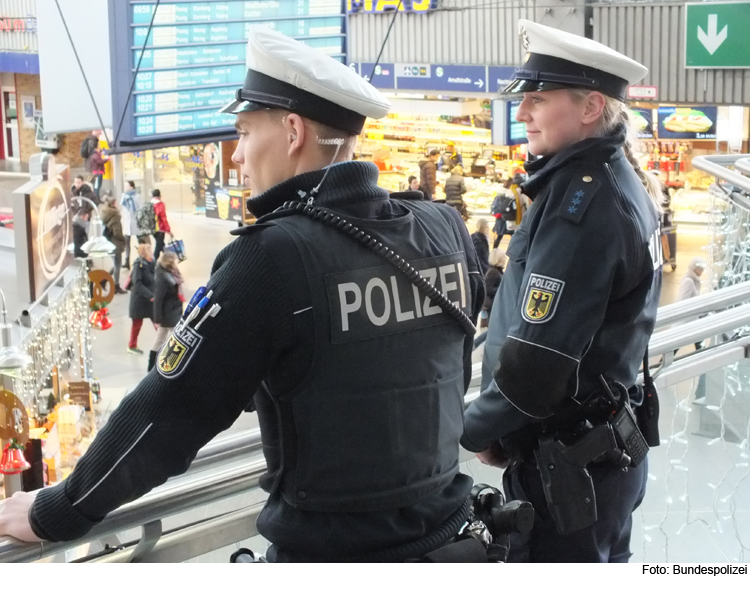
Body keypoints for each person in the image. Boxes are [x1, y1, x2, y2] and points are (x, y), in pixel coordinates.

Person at [0, 27, 484, 563]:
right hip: (450, 539)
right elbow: (444, 367)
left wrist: (59, 508)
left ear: (294, 131)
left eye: (245, 132)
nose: (236, 157)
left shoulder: (273, 256)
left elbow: (171, 409)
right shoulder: (443, 227)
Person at [462, 20, 663, 563]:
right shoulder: (617, 181)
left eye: (538, 98)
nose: (522, 112)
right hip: (600, 462)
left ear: (591, 106)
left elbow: (538, 360)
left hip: (571, 475)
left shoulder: (584, 206)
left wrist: (475, 429)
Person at [149, 252, 185, 372]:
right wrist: (157, 319)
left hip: (172, 311)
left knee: (160, 339)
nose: (177, 261)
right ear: (170, 261)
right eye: (175, 260)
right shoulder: (164, 278)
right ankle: (167, 364)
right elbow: (158, 299)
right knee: (172, 339)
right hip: (169, 313)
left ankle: (153, 366)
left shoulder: (171, 273)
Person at [126, 243, 156, 355]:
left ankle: (165, 344)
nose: (152, 253)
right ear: (144, 254)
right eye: (150, 251)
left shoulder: (151, 264)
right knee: (137, 324)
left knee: (158, 323)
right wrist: (151, 296)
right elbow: (137, 284)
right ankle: (132, 346)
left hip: (150, 300)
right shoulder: (139, 265)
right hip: (139, 300)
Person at [100, 193, 128, 294]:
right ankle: (116, 285)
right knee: (118, 265)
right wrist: (123, 239)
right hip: (115, 243)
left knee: (116, 264)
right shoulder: (115, 216)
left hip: (109, 242)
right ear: (113, 204)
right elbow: (117, 232)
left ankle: (104, 280)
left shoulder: (106, 214)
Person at [120, 180, 141, 269]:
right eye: (125, 186)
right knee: (126, 243)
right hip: (126, 223)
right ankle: (127, 261)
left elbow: (140, 209)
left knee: (140, 242)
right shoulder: (123, 197)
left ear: (132, 187)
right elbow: (123, 210)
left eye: (127, 186)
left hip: (136, 222)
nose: (125, 188)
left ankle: (142, 259)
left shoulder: (137, 197)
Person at [150, 188, 173, 260]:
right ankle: (153, 261)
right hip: (160, 228)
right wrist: (168, 230)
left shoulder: (149, 204)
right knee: (159, 246)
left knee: (160, 244)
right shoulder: (160, 204)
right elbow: (163, 218)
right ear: (160, 195)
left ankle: (169, 259)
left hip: (152, 228)